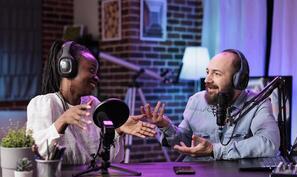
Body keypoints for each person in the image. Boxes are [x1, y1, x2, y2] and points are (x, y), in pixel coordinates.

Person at [26, 40, 156, 165]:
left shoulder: (93, 104)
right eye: (92, 70)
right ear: (68, 68)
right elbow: (35, 153)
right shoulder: (44, 104)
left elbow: (108, 161)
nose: (97, 77)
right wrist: (62, 121)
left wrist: (117, 131)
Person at [140, 49, 280, 161]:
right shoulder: (196, 100)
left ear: (239, 80)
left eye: (216, 74)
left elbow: (268, 143)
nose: (207, 79)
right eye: (207, 72)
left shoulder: (258, 104)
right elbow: (185, 141)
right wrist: (166, 126)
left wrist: (214, 150)